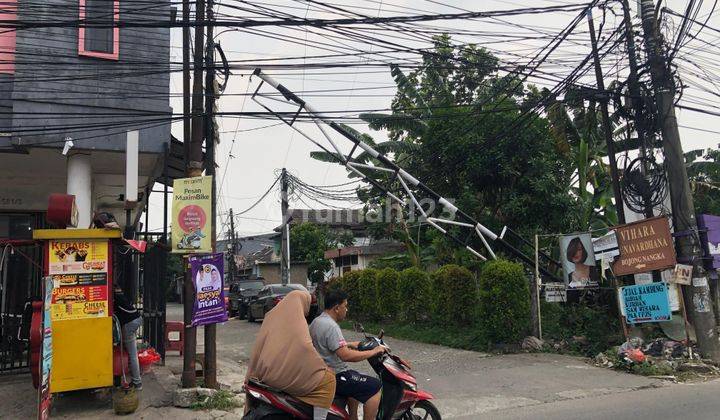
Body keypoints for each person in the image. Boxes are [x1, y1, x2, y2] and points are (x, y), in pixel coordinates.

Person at [246, 290, 336, 420]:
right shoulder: (297, 319)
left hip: (264, 375)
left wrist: (249, 374)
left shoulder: (271, 317)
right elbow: (305, 347)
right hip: (284, 378)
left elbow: (257, 348)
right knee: (329, 380)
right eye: (307, 304)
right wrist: (323, 366)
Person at [310, 290, 386, 420]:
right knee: (375, 386)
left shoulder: (317, 322)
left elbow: (327, 344)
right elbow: (346, 356)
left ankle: (353, 417)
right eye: (345, 306)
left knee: (355, 377)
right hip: (336, 376)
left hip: (324, 373)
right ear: (337, 308)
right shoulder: (331, 326)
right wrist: (374, 351)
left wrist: (350, 344)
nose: (347, 309)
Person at [113, 286, 143, 390]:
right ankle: (135, 380)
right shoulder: (120, 296)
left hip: (129, 323)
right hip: (135, 320)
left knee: (132, 354)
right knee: (131, 352)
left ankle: (137, 382)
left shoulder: (115, 299)